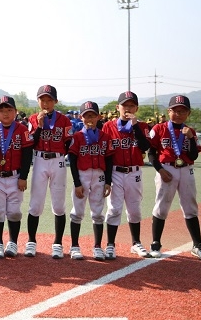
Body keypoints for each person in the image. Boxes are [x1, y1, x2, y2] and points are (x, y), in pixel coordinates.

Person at [147, 95, 201, 261]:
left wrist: (190, 137)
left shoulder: (190, 131)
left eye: (183, 111)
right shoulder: (159, 128)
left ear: (188, 113)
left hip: (186, 169)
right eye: (175, 110)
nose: (179, 113)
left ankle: (197, 245)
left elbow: (193, 155)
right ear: (169, 111)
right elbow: (151, 153)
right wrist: (160, 170)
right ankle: (155, 242)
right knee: (161, 205)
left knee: (190, 206)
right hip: (166, 169)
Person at [101, 91, 151, 259]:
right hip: (116, 171)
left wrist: (135, 125)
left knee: (135, 209)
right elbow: (105, 154)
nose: (128, 108)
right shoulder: (108, 126)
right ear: (118, 107)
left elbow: (144, 147)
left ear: (136, 108)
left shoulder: (142, 126)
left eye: (131, 105)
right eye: (125, 105)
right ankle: (110, 245)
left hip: (134, 172)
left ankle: (136, 243)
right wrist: (106, 179)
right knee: (114, 208)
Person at [26, 85, 73, 258]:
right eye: (42, 100)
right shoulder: (32, 118)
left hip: (58, 161)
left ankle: (58, 243)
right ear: (38, 101)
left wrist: (60, 157)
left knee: (58, 204)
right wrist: (38, 125)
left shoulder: (64, 120)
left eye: (49, 100)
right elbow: (30, 142)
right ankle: (31, 241)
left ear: (55, 101)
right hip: (39, 159)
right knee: (35, 203)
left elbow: (69, 143)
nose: (46, 103)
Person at [0, 96, 34, 258]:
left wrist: (24, 176)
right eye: (2, 110)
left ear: (15, 112)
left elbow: (27, 156)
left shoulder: (22, 130)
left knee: (14, 211)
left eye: (9, 110)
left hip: (15, 176)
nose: (5, 114)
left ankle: (13, 242)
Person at [67, 101, 113, 260]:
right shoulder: (78, 136)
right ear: (81, 117)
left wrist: (108, 181)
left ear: (99, 117)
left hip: (99, 176)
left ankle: (97, 246)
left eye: (93, 115)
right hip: (82, 174)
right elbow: (72, 160)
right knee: (77, 211)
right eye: (86, 116)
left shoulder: (105, 137)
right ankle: (74, 246)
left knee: (98, 212)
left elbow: (109, 160)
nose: (90, 119)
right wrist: (77, 183)